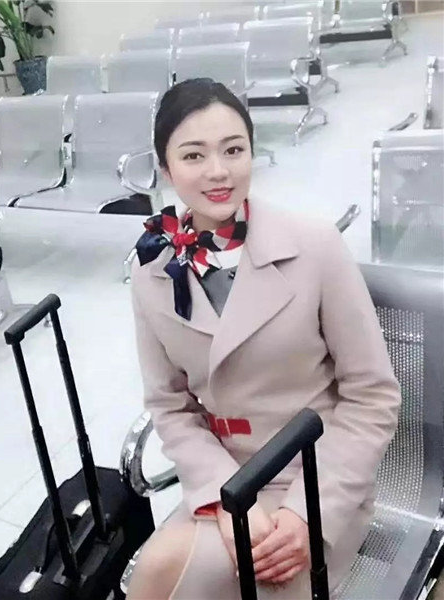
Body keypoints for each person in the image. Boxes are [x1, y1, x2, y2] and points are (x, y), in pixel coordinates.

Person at [126, 79, 401, 600]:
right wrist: (223, 497)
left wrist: (306, 514)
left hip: (315, 484)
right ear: (165, 169)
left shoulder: (315, 246)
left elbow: (373, 396)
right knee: (157, 572)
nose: (218, 171)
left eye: (234, 150)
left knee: (171, 573)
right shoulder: (151, 270)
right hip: (223, 482)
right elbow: (170, 405)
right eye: (193, 155)